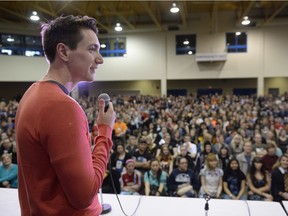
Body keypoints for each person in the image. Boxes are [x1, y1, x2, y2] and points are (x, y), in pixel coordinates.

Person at [15, 15, 116, 216]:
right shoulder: (60, 106)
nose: (100, 59)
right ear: (63, 51)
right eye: (92, 49)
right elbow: (84, 196)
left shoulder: (32, 93)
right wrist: (105, 131)